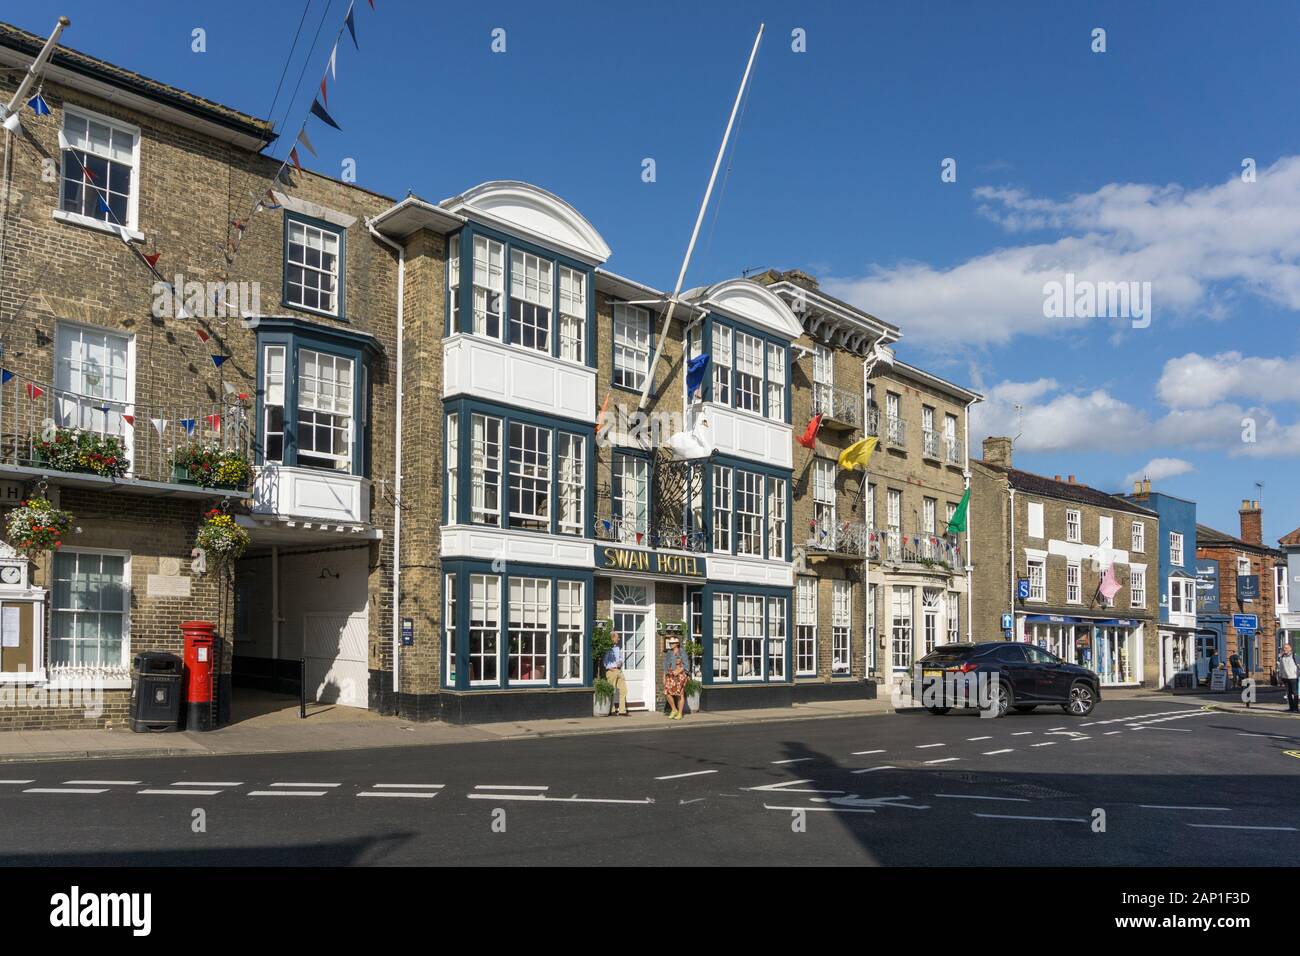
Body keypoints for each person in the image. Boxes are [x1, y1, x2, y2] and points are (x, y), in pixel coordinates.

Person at [662, 636, 690, 720]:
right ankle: (674, 709)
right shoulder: (669, 653)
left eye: (673, 643)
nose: (671, 644)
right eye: (670, 643)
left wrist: (679, 670)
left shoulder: (682, 652)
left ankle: (680, 713)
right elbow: (665, 666)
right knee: (667, 693)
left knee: (679, 694)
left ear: (677, 644)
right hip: (670, 675)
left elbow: (686, 665)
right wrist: (664, 676)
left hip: (680, 676)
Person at [603, 633, 628, 716]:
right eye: (617, 637)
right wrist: (609, 668)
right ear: (612, 638)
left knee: (624, 690)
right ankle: (612, 710)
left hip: (619, 671)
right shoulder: (607, 648)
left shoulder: (617, 648)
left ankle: (622, 710)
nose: (619, 639)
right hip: (611, 671)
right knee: (611, 691)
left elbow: (620, 657)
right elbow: (604, 661)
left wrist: (621, 661)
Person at [1279, 644, 1299, 713]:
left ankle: (1296, 708)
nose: (1285, 649)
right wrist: (1280, 676)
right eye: (1284, 648)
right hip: (1285, 678)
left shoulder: (1294, 656)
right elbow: (1281, 668)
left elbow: (1299, 665)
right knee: (1288, 694)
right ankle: (1291, 708)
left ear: (1290, 648)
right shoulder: (1282, 657)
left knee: (1295, 693)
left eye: (1287, 648)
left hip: (1293, 677)